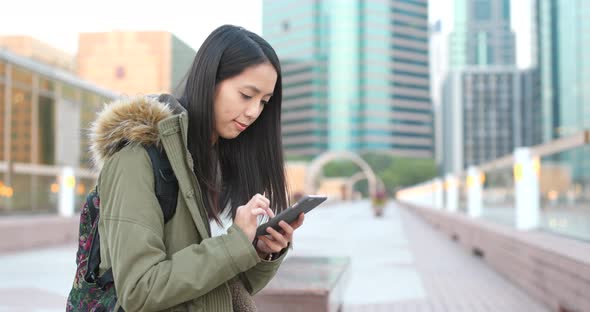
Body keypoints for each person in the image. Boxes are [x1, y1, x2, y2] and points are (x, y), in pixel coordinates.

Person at [89, 24, 304, 311]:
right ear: (210, 80)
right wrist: (234, 244)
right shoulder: (136, 158)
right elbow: (139, 290)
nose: (254, 112)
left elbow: (214, 292)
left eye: (264, 102)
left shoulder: (208, 161)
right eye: (246, 95)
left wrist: (260, 252)